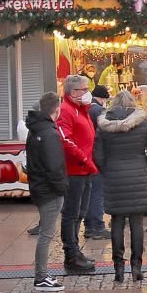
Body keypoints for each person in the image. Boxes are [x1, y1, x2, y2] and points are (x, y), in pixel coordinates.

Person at [94, 90, 147, 283]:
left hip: (114, 175)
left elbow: (97, 156)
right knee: (136, 223)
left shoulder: (103, 126)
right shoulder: (142, 124)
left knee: (116, 221)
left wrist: (108, 170)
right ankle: (136, 266)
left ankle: (118, 268)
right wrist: (144, 164)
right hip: (137, 174)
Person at [26, 92, 69, 292]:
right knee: (47, 234)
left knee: (46, 232)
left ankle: (41, 276)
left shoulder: (35, 129)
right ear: (57, 109)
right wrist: (62, 188)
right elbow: (54, 166)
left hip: (39, 186)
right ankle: (41, 277)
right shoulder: (50, 132)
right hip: (49, 190)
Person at [57, 75, 99, 273]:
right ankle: (71, 255)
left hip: (85, 169)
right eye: (84, 89)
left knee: (80, 212)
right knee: (71, 213)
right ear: (73, 93)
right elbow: (65, 140)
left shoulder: (81, 109)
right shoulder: (66, 110)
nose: (87, 92)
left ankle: (75, 251)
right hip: (75, 170)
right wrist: (83, 158)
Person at [82, 85, 111, 241]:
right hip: (96, 157)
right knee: (97, 194)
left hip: (86, 157)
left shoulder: (85, 109)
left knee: (89, 193)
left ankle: (88, 227)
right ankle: (98, 227)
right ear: (102, 98)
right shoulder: (98, 111)